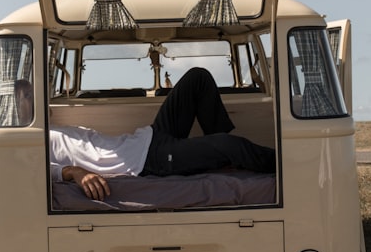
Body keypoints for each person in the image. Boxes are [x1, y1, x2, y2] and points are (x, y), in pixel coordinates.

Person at [50, 67, 275, 200]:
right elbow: (38, 171)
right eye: (24, 97)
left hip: (148, 137)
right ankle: (287, 164)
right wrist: (75, 172)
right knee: (230, 145)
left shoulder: (44, 127)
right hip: (147, 161)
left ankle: (222, 160)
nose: (28, 100)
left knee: (197, 78)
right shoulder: (30, 146)